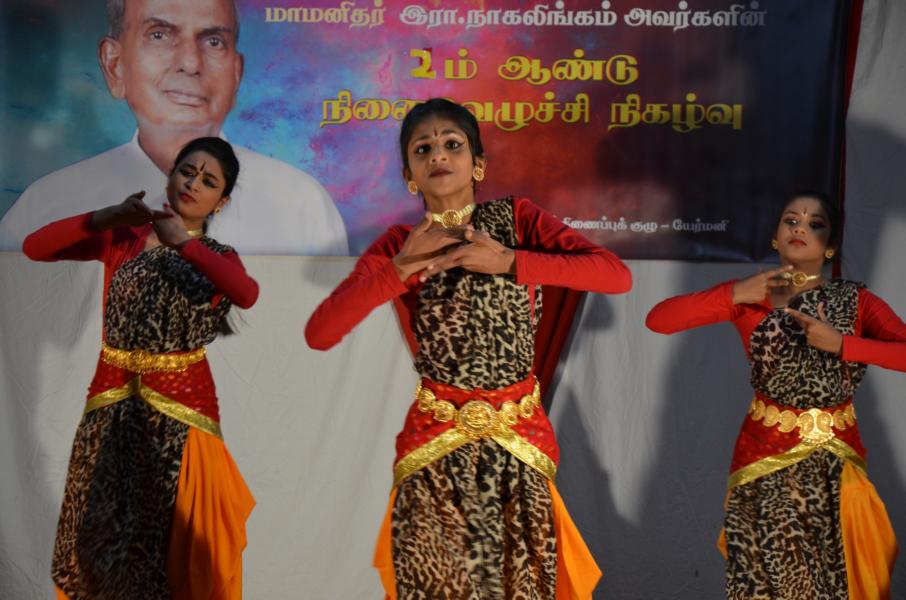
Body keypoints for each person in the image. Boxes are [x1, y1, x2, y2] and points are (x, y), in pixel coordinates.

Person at [305, 98, 632, 598]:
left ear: (477, 164)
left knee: (521, 586)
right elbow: (321, 332)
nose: (438, 154)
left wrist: (511, 262)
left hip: (518, 438)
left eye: (452, 144)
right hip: (434, 440)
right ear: (409, 175)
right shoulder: (400, 243)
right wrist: (400, 268)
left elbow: (615, 275)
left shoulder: (517, 220)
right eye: (423, 149)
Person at [23, 137, 259, 599]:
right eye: (187, 171)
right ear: (170, 176)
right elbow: (35, 247)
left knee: (183, 552)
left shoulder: (218, 257)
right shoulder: (124, 240)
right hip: (111, 411)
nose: (193, 183)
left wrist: (183, 244)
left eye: (208, 181)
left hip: (184, 417)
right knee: (102, 551)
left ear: (221, 201)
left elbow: (246, 293)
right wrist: (107, 217)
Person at [646, 192, 900, 599]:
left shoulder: (857, 301)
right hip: (766, 459)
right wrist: (732, 294)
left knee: (844, 581)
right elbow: (659, 320)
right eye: (791, 220)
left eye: (815, 224)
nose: (800, 228)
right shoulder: (751, 296)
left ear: (831, 245)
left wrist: (843, 344)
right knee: (771, 584)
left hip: (838, 464)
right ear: (775, 237)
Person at [0, 0, 347, 256]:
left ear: (235, 73)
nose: (190, 63)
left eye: (213, 41)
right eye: (160, 35)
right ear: (114, 64)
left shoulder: (301, 206)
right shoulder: (46, 206)